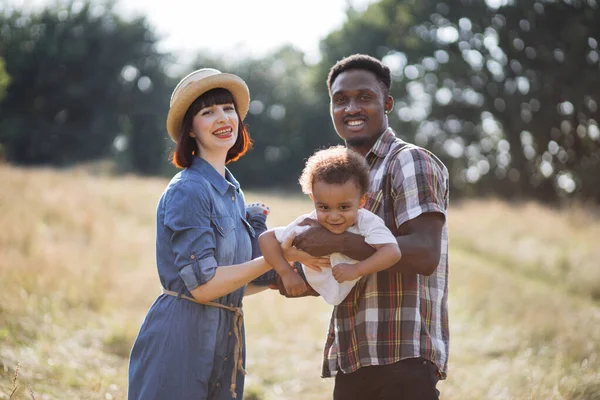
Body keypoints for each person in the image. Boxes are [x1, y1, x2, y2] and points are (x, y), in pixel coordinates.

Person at [272, 54, 450, 399]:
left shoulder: (408, 160)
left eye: (364, 97)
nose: (351, 107)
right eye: (340, 100)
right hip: (354, 356)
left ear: (387, 103)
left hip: (403, 356)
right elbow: (336, 262)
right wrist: (295, 273)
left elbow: (426, 254)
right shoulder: (341, 179)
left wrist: (333, 244)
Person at [127, 68, 308, 400]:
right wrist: (276, 257)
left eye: (227, 109)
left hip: (225, 338)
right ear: (191, 130)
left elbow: (233, 284)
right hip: (181, 341)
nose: (222, 118)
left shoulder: (232, 192)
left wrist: (282, 277)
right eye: (207, 112)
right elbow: (203, 286)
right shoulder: (188, 190)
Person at [259, 145, 402, 304]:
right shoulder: (309, 223)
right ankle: (255, 218)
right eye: (324, 207)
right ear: (314, 200)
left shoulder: (366, 222)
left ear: (362, 201)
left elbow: (392, 252)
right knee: (256, 274)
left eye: (344, 207)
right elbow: (266, 238)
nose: (334, 217)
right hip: (295, 271)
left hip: (321, 286)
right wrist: (286, 273)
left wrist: (357, 270)